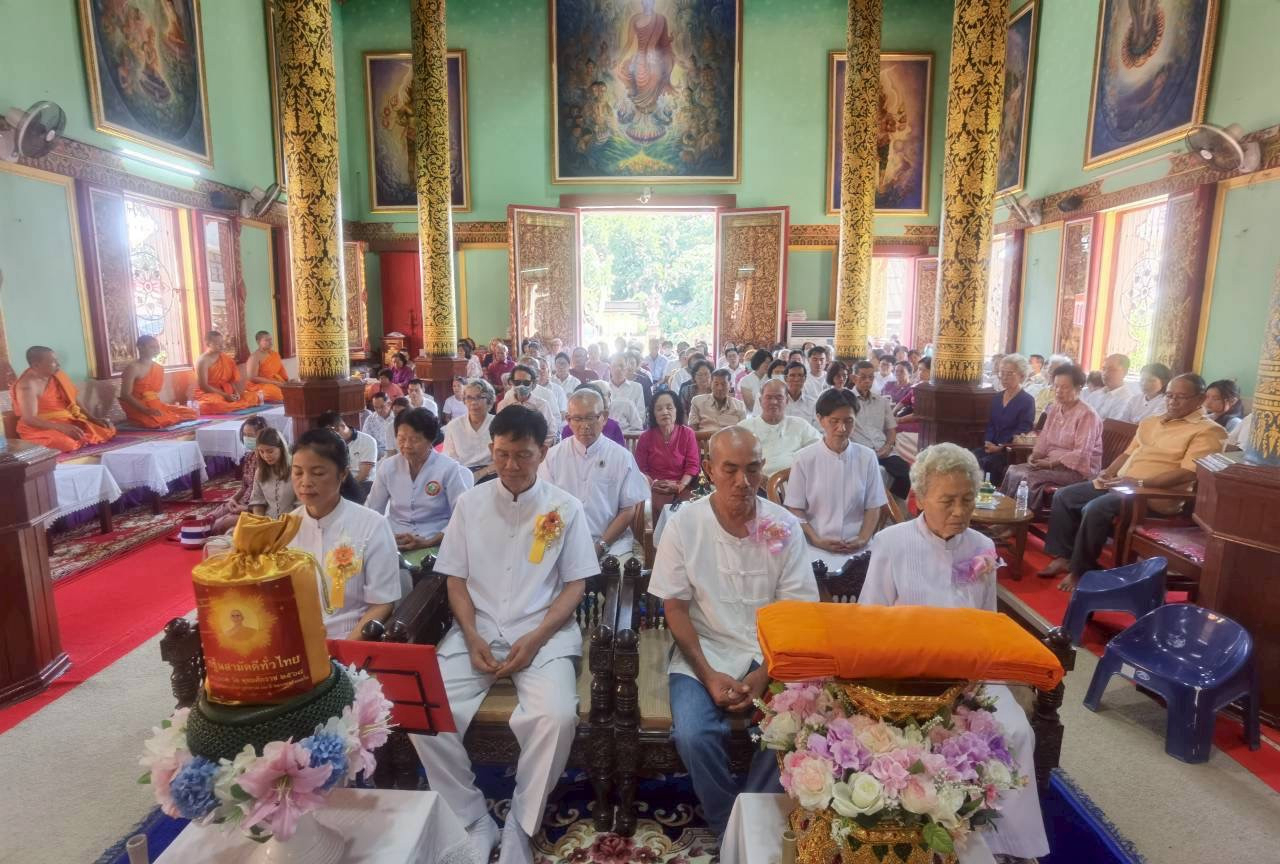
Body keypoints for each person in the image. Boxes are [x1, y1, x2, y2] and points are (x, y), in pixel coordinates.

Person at [412, 405, 597, 864]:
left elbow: (576, 584)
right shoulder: (470, 504)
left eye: (523, 455)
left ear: (543, 452)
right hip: (477, 629)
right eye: (502, 454)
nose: (511, 466)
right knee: (422, 710)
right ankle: (474, 818)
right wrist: (470, 633)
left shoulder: (565, 507)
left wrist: (536, 638)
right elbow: (453, 578)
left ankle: (520, 822)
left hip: (544, 633)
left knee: (555, 718)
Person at [861, 443, 1050, 862]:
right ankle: (927, 834)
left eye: (967, 499)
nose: (960, 511)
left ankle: (1007, 846)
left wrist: (981, 673)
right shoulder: (891, 543)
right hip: (907, 675)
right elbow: (869, 620)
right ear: (920, 498)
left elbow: (988, 621)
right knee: (916, 737)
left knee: (1017, 731)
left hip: (972, 672)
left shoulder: (982, 545)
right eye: (947, 500)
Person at [648, 426, 819, 837]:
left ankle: (755, 818)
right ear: (708, 469)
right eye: (731, 470)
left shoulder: (784, 525)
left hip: (772, 653)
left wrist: (765, 673)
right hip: (704, 651)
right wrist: (708, 675)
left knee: (793, 728)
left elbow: (796, 611)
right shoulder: (684, 524)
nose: (744, 482)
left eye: (753, 469)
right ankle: (729, 826)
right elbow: (675, 607)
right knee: (692, 733)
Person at [1039, 374, 1228, 590]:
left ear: (1200, 399)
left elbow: (1188, 473)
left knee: (1096, 508)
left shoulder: (1209, 430)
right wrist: (1107, 472)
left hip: (1152, 495)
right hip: (1122, 484)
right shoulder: (1152, 421)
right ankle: (1064, 556)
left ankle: (1081, 571)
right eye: (1169, 395)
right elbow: (1127, 454)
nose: (1172, 401)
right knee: (1065, 496)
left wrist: (1138, 482)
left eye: (1181, 397)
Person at [286, 429, 400, 640]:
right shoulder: (285, 529)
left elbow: (382, 603)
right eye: (298, 472)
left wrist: (346, 650)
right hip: (296, 644)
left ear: (343, 474)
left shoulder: (372, 526)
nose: (305, 482)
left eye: (318, 473)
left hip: (349, 640)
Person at [539, 389, 649, 562]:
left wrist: (600, 546)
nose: (585, 425)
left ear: (604, 417)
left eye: (591, 417)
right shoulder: (553, 456)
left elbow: (628, 510)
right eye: (577, 418)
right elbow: (544, 504)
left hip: (611, 544)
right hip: (561, 542)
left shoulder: (621, 457)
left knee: (619, 574)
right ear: (568, 420)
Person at [785, 389, 885, 570]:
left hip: (858, 545)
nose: (842, 428)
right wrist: (816, 539)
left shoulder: (867, 457)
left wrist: (863, 538)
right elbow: (795, 508)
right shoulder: (805, 458)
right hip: (815, 545)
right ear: (820, 419)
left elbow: (873, 506)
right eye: (834, 421)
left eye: (849, 421)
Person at [367, 407, 473, 554]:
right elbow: (372, 509)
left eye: (415, 439)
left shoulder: (448, 469)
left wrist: (430, 541)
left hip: (435, 541)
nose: (406, 445)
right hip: (394, 541)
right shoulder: (388, 467)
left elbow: (463, 515)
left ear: (430, 440)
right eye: (401, 438)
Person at [1000, 364, 1103, 513]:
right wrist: (1035, 455)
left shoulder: (1087, 415)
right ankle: (1005, 515)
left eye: (1065, 387)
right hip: (1051, 463)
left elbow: (1082, 454)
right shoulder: (1055, 408)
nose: (1059, 391)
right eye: (1056, 386)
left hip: (1076, 470)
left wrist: (1050, 464)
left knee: (1029, 478)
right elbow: (1045, 438)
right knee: (1013, 470)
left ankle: (1021, 521)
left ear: (1079, 388)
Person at [11, 346, 116, 452]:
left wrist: (93, 418)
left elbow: (73, 401)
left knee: (107, 429)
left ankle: (81, 440)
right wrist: (61, 428)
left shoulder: (57, 376)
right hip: (39, 428)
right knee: (67, 443)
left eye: (57, 360)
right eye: (53, 362)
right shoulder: (27, 385)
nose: (58, 365)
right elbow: (29, 419)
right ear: (36, 365)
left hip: (65, 421)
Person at [850, 360, 911, 498]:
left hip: (883, 450)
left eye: (871, 377)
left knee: (905, 473)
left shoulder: (881, 401)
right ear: (854, 378)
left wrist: (888, 446)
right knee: (871, 475)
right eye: (863, 377)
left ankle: (890, 510)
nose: (867, 381)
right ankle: (872, 509)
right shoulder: (846, 400)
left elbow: (891, 429)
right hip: (859, 450)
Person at [635, 389, 702, 512]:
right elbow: (640, 469)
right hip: (653, 487)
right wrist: (653, 484)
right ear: (653, 414)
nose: (665, 412)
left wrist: (680, 486)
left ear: (677, 410)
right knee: (649, 509)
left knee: (688, 510)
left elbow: (692, 466)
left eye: (669, 407)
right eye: (659, 409)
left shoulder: (688, 434)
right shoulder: (645, 437)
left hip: (682, 486)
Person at [736, 378, 821, 476]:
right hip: (755, 485)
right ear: (760, 400)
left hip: (794, 482)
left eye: (779, 397)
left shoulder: (800, 425)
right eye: (768, 397)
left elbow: (819, 449)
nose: (774, 402)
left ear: (787, 401)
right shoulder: (744, 428)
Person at [975, 353, 1037, 484]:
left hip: (1009, 450)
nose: (1004, 377)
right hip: (991, 446)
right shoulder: (997, 397)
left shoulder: (1027, 400)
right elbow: (991, 423)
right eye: (1002, 373)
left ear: (1021, 375)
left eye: (1009, 374)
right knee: (970, 457)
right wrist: (988, 442)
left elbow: (1023, 430)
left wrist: (1000, 447)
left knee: (989, 463)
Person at [118, 335, 198, 428]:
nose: (156, 350)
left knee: (190, 412)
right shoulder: (133, 368)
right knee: (157, 421)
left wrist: (156, 407)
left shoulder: (158, 367)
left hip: (155, 404)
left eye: (157, 347)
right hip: (138, 407)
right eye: (152, 347)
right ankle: (137, 420)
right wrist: (145, 410)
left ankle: (160, 416)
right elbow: (125, 394)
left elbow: (154, 394)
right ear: (140, 348)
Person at [209, 416, 269, 533]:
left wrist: (245, 508)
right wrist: (233, 499)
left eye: (251, 435)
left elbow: (268, 499)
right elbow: (244, 486)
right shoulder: (249, 457)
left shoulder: (267, 461)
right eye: (245, 435)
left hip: (257, 508)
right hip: (244, 503)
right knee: (212, 516)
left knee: (219, 524)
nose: (247, 438)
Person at [317, 409, 379, 502]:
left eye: (332, 432)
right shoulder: (330, 444)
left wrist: (341, 488)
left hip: (362, 484)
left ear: (342, 426)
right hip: (339, 484)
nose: (330, 437)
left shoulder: (367, 441)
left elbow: (364, 475)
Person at [193, 331, 259, 413]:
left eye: (222, 343)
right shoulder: (202, 361)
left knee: (252, 396)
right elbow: (204, 386)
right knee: (215, 404)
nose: (222, 346)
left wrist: (236, 392)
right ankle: (232, 405)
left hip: (227, 391)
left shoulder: (226, 359)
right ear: (208, 344)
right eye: (218, 343)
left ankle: (232, 404)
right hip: (210, 393)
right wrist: (225, 395)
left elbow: (230, 380)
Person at [444, 379, 497, 480]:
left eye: (479, 397)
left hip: (492, 472)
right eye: (469, 398)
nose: (473, 403)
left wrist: (480, 473)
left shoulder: (499, 424)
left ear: (490, 401)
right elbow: (449, 460)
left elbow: (503, 460)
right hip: (462, 473)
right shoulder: (453, 426)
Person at [498, 364, 560, 445]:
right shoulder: (504, 405)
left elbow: (550, 434)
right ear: (511, 383)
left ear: (533, 384)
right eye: (517, 382)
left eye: (526, 383)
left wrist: (539, 452)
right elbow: (499, 431)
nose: (521, 386)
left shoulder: (542, 405)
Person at [248, 428, 297, 518]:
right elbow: (258, 501)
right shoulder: (260, 472)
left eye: (270, 451)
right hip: (269, 521)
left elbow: (301, 504)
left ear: (281, 449)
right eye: (261, 451)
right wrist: (260, 521)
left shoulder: (295, 469)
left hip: (293, 521)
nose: (266, 456)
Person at [688, 367, 746, 440]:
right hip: (705, 447)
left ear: (730, 385)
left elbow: (742, 433)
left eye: (723, 384)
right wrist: (718, 433)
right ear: (711, 384)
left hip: (731, 447)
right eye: (716, 384)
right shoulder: (697, 401)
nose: (720, 388)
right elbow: (691, 433)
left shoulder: (739, 405)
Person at [1083, 353, 1139, 421]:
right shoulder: (1095, 395)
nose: (1105, 373)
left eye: (1112, 370)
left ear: (1124, 372)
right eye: (1103, 369)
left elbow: (1111, 427)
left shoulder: (1127, 401)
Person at [245, 330, 290, 402]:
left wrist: (286, 382)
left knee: (290, 389)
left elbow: (281, 370)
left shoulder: (275, 354)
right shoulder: (254, 357)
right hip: (260, 384)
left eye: (270, 339)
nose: (270, 342)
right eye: (266, 340)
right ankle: (254, 396)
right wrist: (275, 383)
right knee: (276, 393)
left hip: (276, 381)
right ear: (258, 342)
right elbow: (252, 378)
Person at [737, 349, 773, 415]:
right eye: (766, 362)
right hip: (753, 416)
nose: (768, 365)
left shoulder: (772, 378)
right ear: (758, 362)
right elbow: (750, 406)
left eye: (770, 362)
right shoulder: (745, 380)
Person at [361, 392, 396, 457]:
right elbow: (366, 440)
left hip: (395, 452)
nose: (379, 410)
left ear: (389, 404)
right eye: (376, 407)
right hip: (377, 453)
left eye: (382, 407)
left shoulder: (397, 417)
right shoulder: (370, 420)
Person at [782, 361, 816, 426]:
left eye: (800, 375)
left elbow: (818, 430)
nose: (796, 379)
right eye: (792, 375)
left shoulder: (813, 404)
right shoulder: (778, 402)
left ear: (805, 378)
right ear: (785, 378)